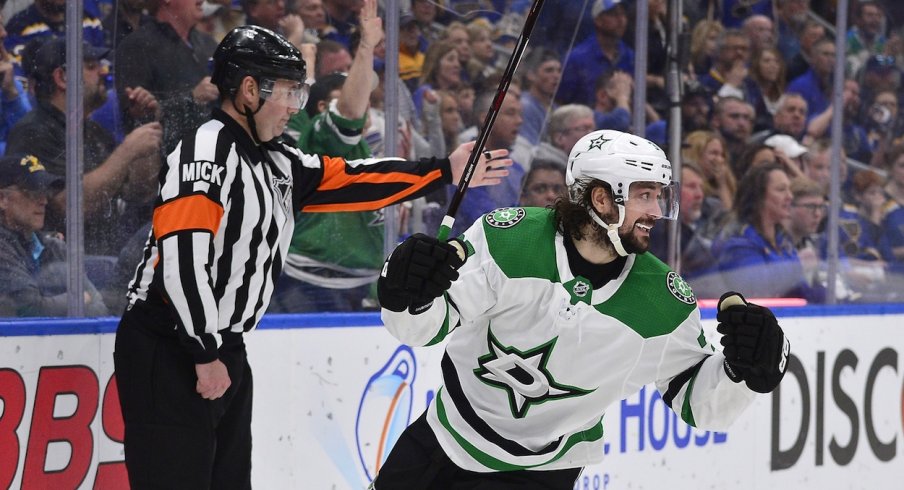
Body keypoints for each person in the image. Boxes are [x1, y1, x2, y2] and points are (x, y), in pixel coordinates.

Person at [113, 21, 511, 489]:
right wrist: (204, 352)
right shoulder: (205, 152)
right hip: (172, 344)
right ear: (247, 89)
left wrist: (443, 170)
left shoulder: (277, 159)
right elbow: (183, 260)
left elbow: (352, 178)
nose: (293, 108)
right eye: (287, 93)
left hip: (224, 345)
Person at [372, 129, 789, 487]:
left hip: (541, 474)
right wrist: (403, 293)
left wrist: (745, 374)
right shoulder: (508, 240)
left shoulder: (664, 303)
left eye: (660, 197)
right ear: (602, 198)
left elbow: (700, 404)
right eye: (646, 196)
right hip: (442, 437)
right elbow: (421, 329)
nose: (657, 212)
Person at [6, 37, 162, 255]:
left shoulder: (94, 131)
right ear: (62, 77)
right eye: (91, 67)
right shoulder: (33, 132)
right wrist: (126, 152)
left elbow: (140, 191)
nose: (104, 73)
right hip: (64, 268)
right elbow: (66, 208)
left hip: (108, 257)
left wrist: (143, 124)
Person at [0, 154, 108, 317]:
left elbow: (99, 307)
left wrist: (54, 304)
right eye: (31, 192)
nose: (43, 201)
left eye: (44, 191)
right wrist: (77, 299)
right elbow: (30, 308)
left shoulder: (52, 245)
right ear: (2, 199)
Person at [712, 162, 825, 302]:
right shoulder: (737, 241)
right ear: (759, 197)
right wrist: (797, 266)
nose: (789, 196)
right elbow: (755, 288)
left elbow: (800, 291)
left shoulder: (783, 241)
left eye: (789, 190)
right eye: (781, 190)